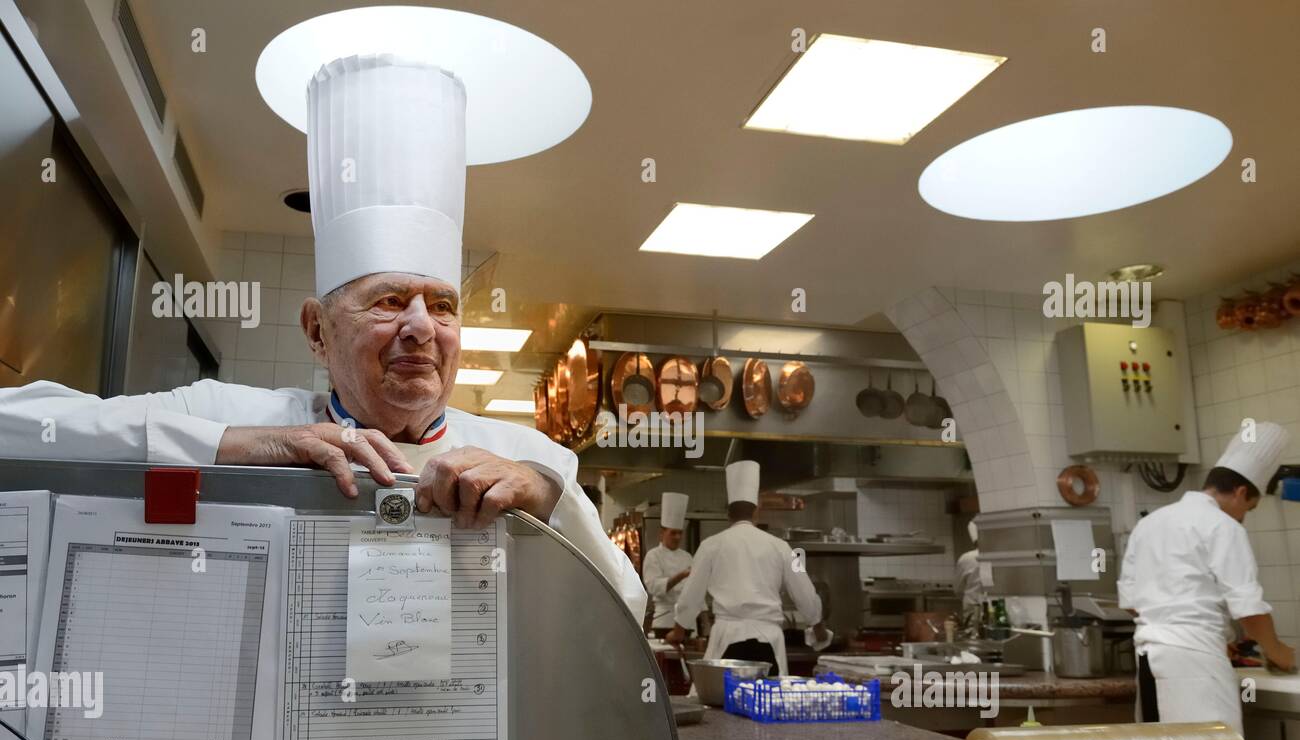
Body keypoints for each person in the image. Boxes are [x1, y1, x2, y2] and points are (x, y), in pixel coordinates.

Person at [0, 53, 645, 621]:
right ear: (317, 330)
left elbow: (628, 610)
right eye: (389, 301)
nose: (420, 326)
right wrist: (232, 447)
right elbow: (18, 426)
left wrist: (550, 505)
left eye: (441, 306)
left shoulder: (530, 459)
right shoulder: (227, 417)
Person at [1118, 422, 1296, 734]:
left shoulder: (1150, 523)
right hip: (1195, 666)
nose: (1244, 517)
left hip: (1148, 659)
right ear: (1241, 492)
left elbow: (1132, 604)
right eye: (1249, 508)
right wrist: (1278, 652)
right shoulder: (1224, 526)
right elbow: (1249, 610)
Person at [667, 461, 827, 675]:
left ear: (728, 513)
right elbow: (806, 592)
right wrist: (818, 628)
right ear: (756, 511)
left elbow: (691, 595)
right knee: (767, 702)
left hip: (727, 639)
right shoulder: (782, 547)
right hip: (769, 642)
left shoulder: (710, 545)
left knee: (722, 701)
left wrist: (678, 631)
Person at [642, 493, 692, 639]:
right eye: (673, 533)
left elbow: (695, 592)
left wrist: (704, 626)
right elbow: (655, 587)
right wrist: (682, 575)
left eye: (680, 533)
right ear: (662, 533)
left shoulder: (687, 557)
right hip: (663, 621)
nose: (677, 537)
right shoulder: (653, 556)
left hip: (686, 622)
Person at [953, 519, 985, 625]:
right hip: (994, 609)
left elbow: (958, 589)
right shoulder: (998, 555)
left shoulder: (966, 558)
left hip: (971, 610)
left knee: (973, 634)